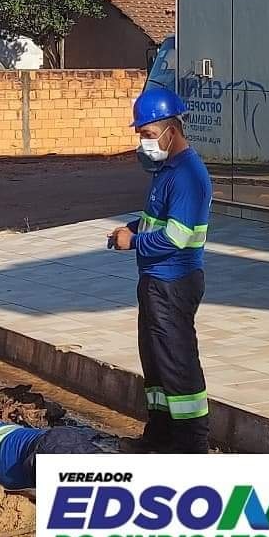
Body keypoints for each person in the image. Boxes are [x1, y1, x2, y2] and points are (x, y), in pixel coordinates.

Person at [108, 85, 212, 454]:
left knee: (177, 364)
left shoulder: (188, 175)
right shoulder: (165, 169)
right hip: (154, 282)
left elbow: (179, 237)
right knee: (155, 364)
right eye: (140, 136)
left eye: (149, 135)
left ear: (171, 130)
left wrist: (132, 242)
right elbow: (157, 220)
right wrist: (135, 227)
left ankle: (190, 447)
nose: (143, 144)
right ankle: (159, 438)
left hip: (174, 282)